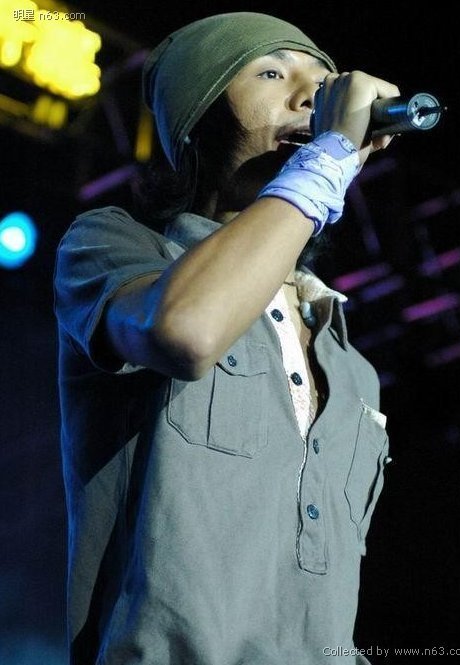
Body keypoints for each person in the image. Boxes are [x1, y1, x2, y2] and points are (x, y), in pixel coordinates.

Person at [53, 11, 398, 665]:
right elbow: (187, 330)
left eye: (323, 82)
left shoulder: (351, 365)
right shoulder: (116, 248)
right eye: (272, 74)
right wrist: (326, 158)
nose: (311, 97)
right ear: (196, 122)